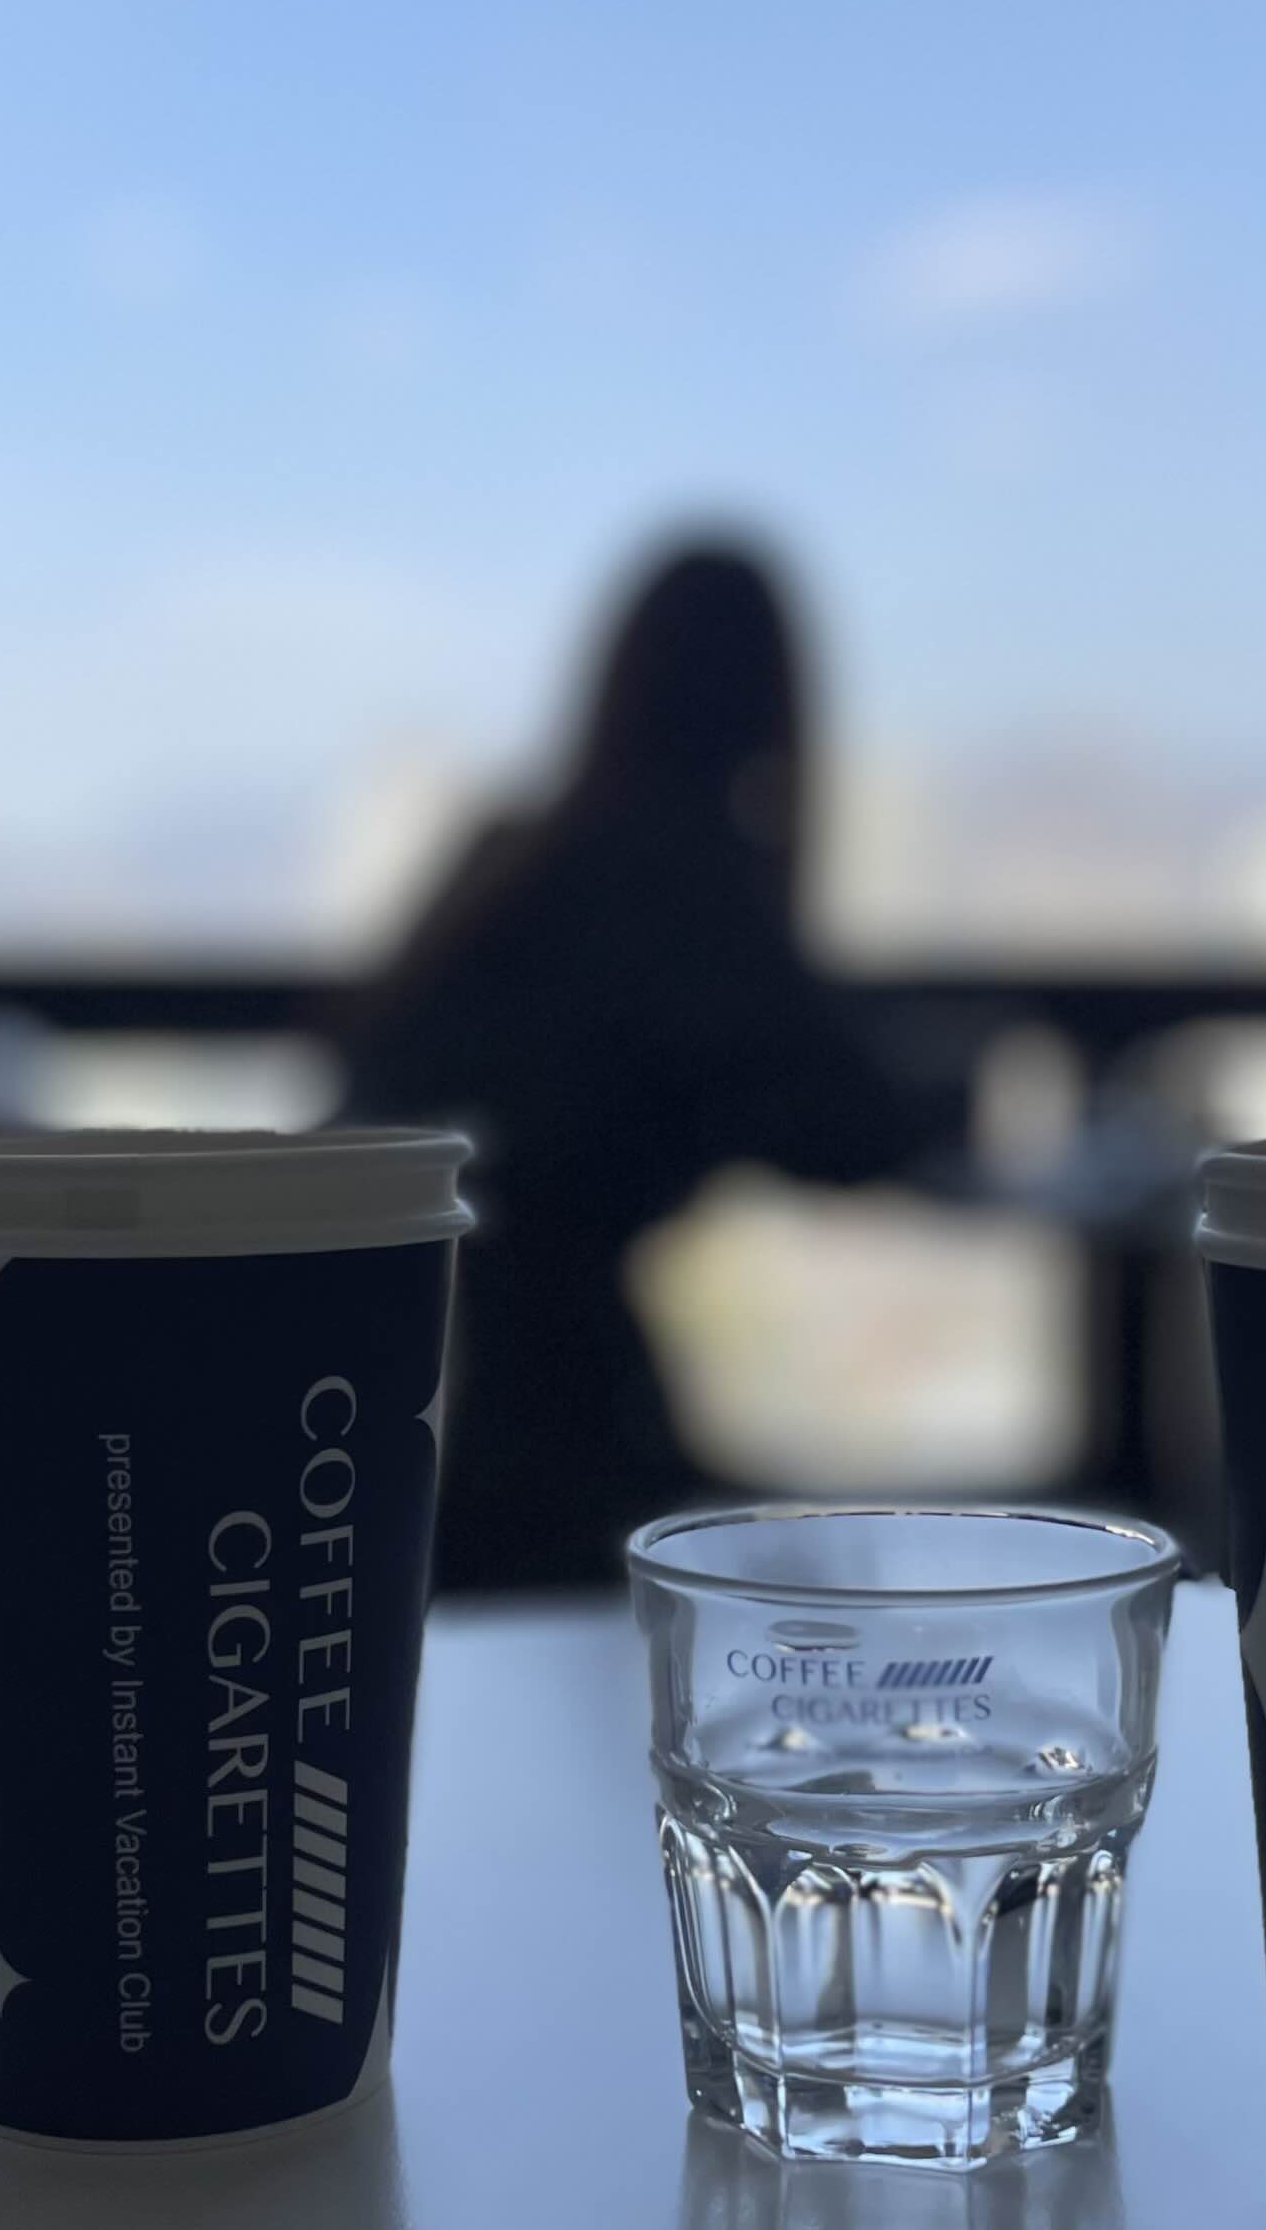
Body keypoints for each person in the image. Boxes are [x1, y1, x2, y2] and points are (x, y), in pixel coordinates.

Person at [336, 533, 938, 1590]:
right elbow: (851, 1124)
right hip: (560, 1419)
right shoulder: (686, 874)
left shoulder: (521, 850)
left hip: (425, 1387)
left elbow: (369, 1060)